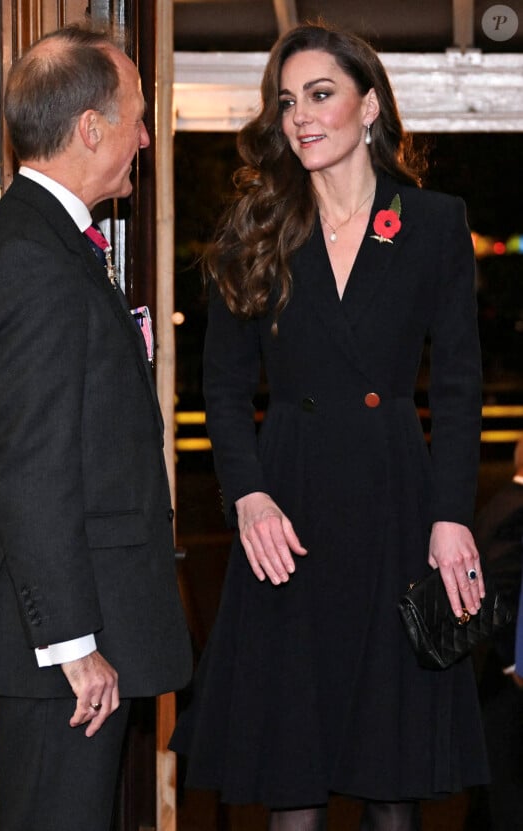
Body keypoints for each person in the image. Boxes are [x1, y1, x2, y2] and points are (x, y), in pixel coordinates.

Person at [170, 22, 489, 831]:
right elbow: (225, 384)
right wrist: (247, 496)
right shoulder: (257, 228)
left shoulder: (433, 223)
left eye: (321, 94)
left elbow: (457, 385)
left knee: (392, 785)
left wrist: (452, 515)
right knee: (294, 785)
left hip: (396, 505)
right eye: (287, 102)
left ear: (369, 105)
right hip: (291, 510)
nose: (301, 116)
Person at [0, 25, 192, 831]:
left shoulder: (50, 240)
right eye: (136, 116)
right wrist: (74, 647)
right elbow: (33, 468)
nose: (145, 136)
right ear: (90, 127)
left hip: (74, 635)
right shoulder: (33, 258)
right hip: (59, 648)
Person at [465, 439, 523, 830]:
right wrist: (514, 661)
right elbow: (499, 592)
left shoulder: (501, 502)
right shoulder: (517, 512)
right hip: (508, 682)